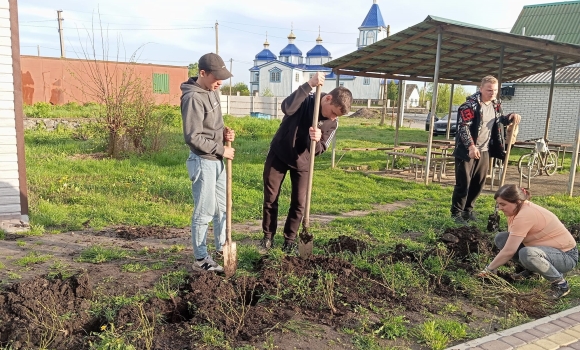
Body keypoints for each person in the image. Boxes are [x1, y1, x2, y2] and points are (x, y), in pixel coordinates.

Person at [260, 72, 353, 254]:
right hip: (279, 153)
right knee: (271, 198)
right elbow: (287, 108)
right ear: (327, 98)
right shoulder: (306, 99)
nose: (333, 118)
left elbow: (321, 149)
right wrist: (309, 84)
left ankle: (289, 240)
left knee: (299, 203)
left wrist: (317, 141)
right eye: (333, 112)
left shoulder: (332, 124)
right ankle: (268, 237)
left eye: (337, 116)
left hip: (303, 163)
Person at [181, 53, 235, 272]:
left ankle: (222, 246)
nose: (220, 82)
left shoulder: (212, 90)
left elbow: (213, 124)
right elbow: (193, 136)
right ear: (202, 73)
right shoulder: (193, 98)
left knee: (223, 207)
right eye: (216, 78)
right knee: (205, 210)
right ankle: (201, 259)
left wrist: (224, 133)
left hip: (218, 159)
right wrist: (221, 148)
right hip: (203, 161)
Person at [477, 184, 578, 299]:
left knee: (527, 253)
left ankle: (561, 284)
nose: (499, 208)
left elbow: (510, 250)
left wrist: (488, 269)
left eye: (503, 204)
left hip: (566, 256)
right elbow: (511, 242)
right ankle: (533, 271)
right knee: (501, 238)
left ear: (518, 202)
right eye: (499, 204)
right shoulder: (516, 210)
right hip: (546, 251)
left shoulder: (525, 214)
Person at [451, 75, 521, 225]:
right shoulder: (469, 106)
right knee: (464, 183)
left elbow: (498, 120)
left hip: (484, 150)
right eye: (489, 90)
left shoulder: (495, 105)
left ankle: (467, 211)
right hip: (467, 151)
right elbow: (463, 127)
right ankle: (456, 213)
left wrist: (510, 117)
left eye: (495, 90)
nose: (492, 93)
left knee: (478, 183)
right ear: (481, 88)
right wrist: (470, 146)